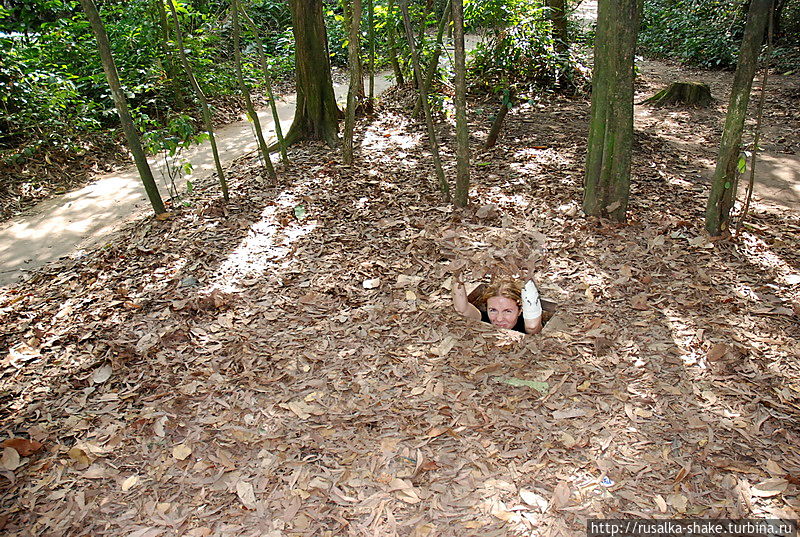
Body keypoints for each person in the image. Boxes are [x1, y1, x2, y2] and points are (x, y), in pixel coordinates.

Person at [452, 277, 543, 334]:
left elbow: (532, 326)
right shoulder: (484, 318)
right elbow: (462, 309)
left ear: (520, 311)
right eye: (493, 310)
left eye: (508, 311)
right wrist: (457, 273)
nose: (499, 319)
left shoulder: (525, 325)